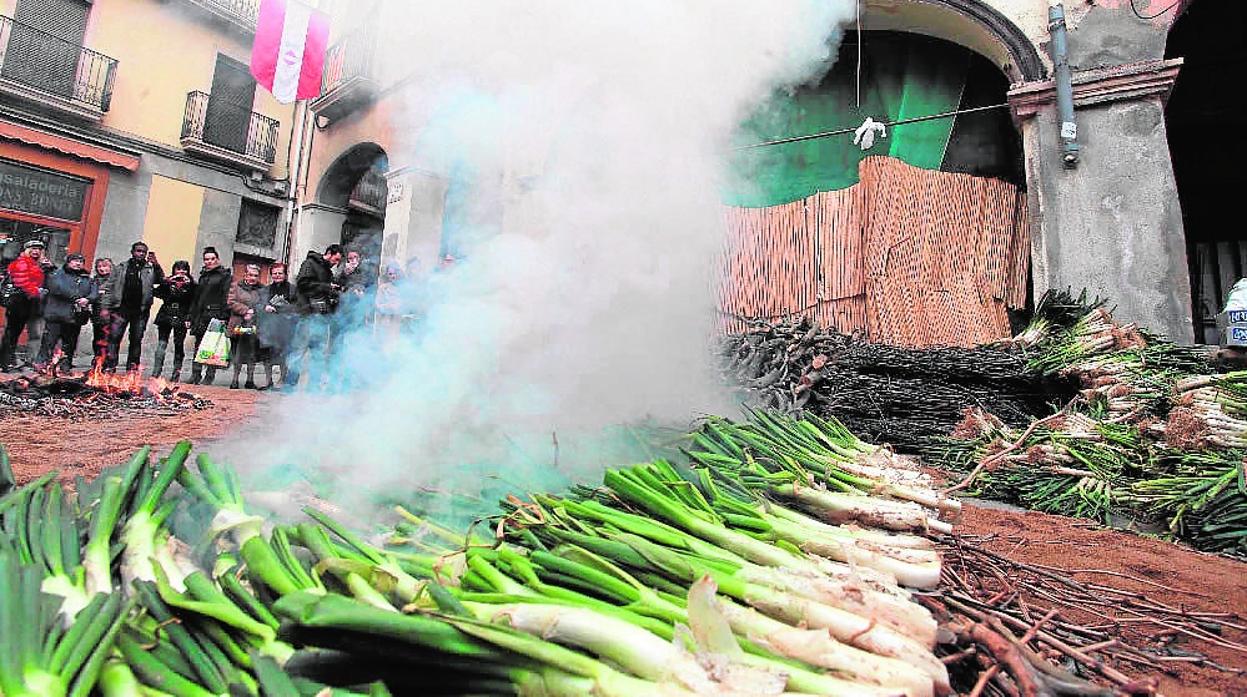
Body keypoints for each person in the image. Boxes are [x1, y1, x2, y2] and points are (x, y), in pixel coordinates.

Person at [285, 244, 343, 392]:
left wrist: (334, 293)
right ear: (329, 253)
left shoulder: (328, 272)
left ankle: (313, 386)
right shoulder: (309, 264)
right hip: (308, 314)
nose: (335, 263)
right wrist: (326, 287)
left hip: (322, 317)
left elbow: (324, 289)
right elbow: (303, 284)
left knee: (318, 352)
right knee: (299, 351)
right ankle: (289, 385)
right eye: (335, 259)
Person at [102, 241, 162, 372]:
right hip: (121, 309)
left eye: (143, 252)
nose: (140, 254)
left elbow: (161, 280)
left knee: (136, 340)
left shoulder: (150, 269)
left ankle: (132, 369)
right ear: (132, 252)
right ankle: (110, 366)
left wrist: (156, 265)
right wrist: (105, 308)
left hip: (140, 311)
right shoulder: (121, 267)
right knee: (114, 338)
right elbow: (109, 287)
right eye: (138, 251)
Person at [35, 253, 96, 374]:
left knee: (70, 344)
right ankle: (42, 365)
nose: (78, 264)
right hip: (56, 314)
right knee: (49, 342)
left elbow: (94, 292)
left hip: (74, 317)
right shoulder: (57, 274)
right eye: (75, 261)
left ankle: (64, 366)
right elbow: (57, 288)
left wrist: (88, 299)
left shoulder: (86, 278)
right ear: (68, 262)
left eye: (81, 261)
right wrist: (77, 298)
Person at [0, 239, 48, 372]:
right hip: (19, 302)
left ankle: (8, 360)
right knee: (12, 333)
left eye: (38, 249)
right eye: (33, 249)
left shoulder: (36, 264)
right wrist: (37, 292)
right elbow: (22, 282)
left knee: (15, 332)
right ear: (27, 250)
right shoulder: (21, 263)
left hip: (28, 302)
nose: (36, 251)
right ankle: (5, 362)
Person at [188, 247, 233, 386]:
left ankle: (209, 376)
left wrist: (223, 316)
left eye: (212, 259)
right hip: (201, 316)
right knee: (198, 345)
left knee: (212, 347)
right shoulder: (203, 276)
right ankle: (195, 374)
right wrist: (190, 316)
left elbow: (227, 296)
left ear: (217, 259)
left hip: (215, 316)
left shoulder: (225, 276)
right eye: (207, 259)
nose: (209, 262)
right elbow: (196, 298)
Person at [150, 260, 196, 381]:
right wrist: (166, 283)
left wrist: (189, 286)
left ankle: (176, 373)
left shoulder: (192, 284)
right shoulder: (168, 281)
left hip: (182, 316)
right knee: (161, 344)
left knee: (179, 344)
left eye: (184, 269)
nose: (181, 272)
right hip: (166, 315)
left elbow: (193, 302)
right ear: (174, 270)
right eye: (178, 269)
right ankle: (156, 372)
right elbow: (156, 293)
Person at [257, 262, 297, 389]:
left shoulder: (293, 290)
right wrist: (265, 307)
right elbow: (257, 305)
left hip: (286, 327)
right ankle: (268, 381)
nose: (277, 276)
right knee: (267, 356)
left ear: (285, 274)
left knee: (283, 355)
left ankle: (282, 380)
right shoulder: (265, 290)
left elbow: (299, 307)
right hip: (268, 327)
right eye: (274, 273)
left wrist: (284, 307)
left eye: (280, 273)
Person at [226, 264, 264, 390]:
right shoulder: (236, 286)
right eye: (250, 275)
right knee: (238, 353)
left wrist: (254, 312)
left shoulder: (262, 289)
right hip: (238, 324)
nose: (253, 278)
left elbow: (264, 304)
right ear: (245, 275)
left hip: (255, 324)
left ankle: (250, 380)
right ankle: (235, 380)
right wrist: (245, 310)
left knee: (252, 354)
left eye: (256, 275)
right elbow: (231, 302)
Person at [89, 257, 114, 366]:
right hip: (97, 315)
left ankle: (106, 363)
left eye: (105, 266)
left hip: (111, 316)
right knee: (97, 339)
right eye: (99, 266)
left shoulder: (115, 282)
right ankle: (97, 359)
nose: (102, 269)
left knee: (108, 340)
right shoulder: (94, 281)